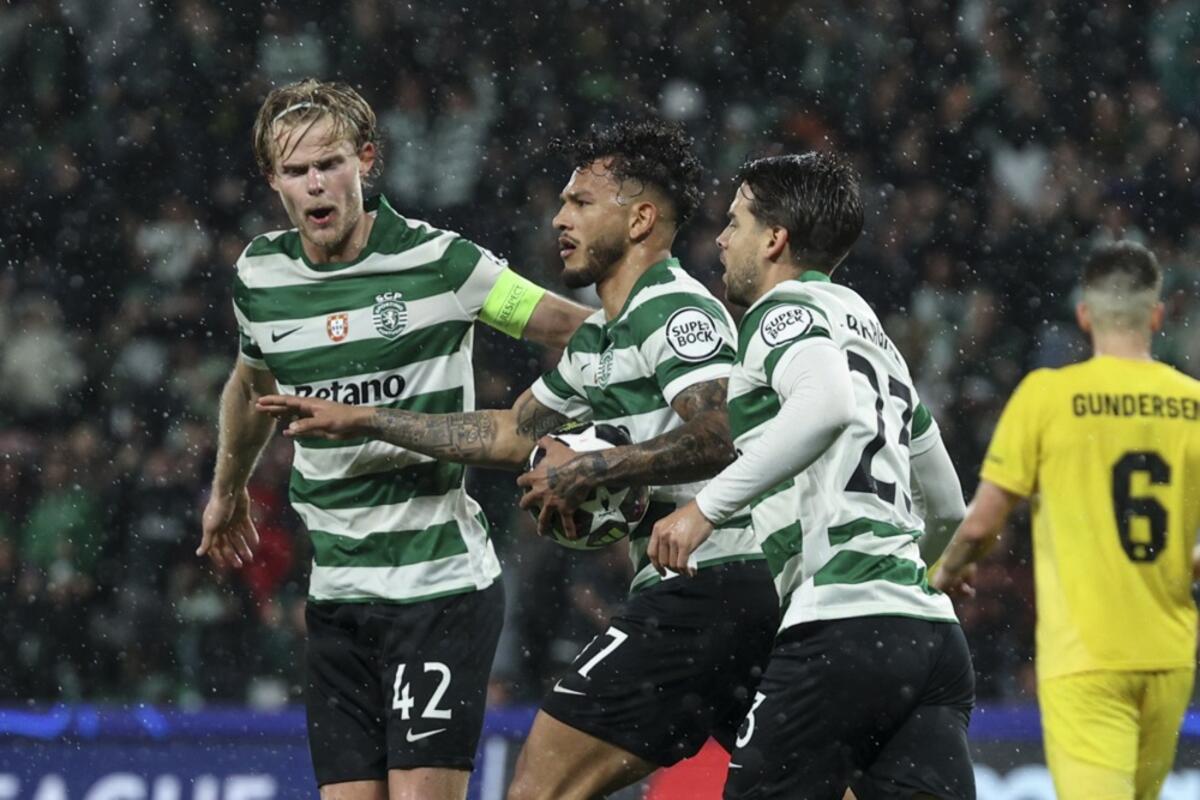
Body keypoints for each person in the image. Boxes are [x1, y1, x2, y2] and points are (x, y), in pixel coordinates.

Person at [257, 119, 779, 800]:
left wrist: (596, 468)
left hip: (714, 581)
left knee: (539, 788)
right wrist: (368, 419)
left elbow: (724, 429)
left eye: (581, 203)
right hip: (726, 590)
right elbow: (510, 432)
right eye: (562, 202)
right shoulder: (598, 340)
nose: (560, 218)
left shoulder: (671, 308)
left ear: (641, 219)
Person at [197, 78, 591, 800]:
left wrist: (584, 428)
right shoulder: (260, 274)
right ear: (273, 180)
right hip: (338, 595)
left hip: (437, 588)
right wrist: (228, 490)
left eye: (330, 163)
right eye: (296, 170)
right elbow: (251, 385)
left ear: (366, 160)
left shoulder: (443, 263)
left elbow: (577, 331)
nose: (316, 184)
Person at [650, 152, 975, 799]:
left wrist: (704, 509)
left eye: (736, 221)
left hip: (841, 627)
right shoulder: (878, 340)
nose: (721, 238)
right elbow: (947, 507)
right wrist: (903, 583)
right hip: (929, 637)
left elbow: (826, 407)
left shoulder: (783, 310)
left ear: (775, 239)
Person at [932, 241, 1200, 800]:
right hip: (1168, 654)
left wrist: (948, 571)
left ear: (1083, 315)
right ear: (1156, 316)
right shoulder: (1192, 402)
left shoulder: (1049, 397)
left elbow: (981, 525)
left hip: (1087, 656)